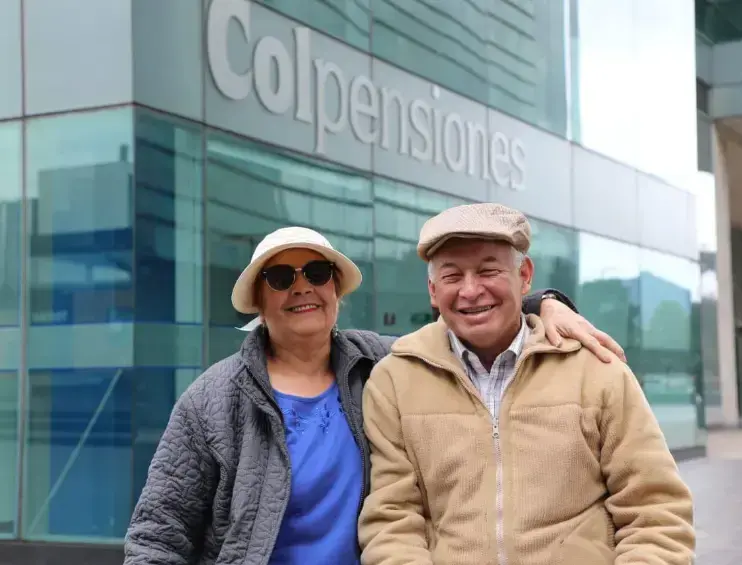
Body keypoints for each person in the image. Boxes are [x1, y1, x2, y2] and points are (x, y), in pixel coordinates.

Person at [123, 225, 625, 565]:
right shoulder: (211, 400)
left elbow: (471, 317)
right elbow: (157, 533)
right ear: (259, 299)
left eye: (317, 274)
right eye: (281, 278)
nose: (303, 288)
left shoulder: (385, 364)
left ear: (337, 289)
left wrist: (545, 305)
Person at [358, 203, 696, 565]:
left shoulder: (597, 370)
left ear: (525, 276)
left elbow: (655, 512)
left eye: (488, 271)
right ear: (432, 290)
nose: (471, 291)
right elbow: (393, 521)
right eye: (452, 276)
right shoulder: (394, 380)